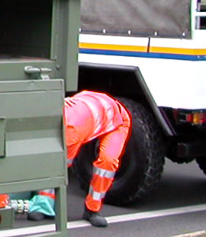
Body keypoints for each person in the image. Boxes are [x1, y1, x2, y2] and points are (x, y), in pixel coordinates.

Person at [27, 91, 132, 227]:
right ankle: (44, 205)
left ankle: (92, 209)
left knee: (107, 161)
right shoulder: (54, 109)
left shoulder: (71, 131)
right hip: (89, 102)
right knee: (56, 161)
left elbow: (60, 167)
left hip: (117, 120)